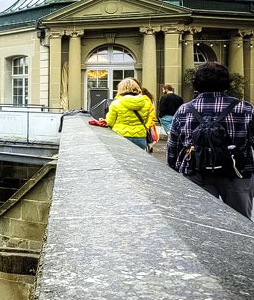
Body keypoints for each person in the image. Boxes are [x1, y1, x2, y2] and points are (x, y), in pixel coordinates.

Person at [167, 62, 254, 219]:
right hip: (237, 173)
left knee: (203, 225)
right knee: (241, 224)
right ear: (226, 83)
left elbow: (173, 146)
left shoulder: (184, 110)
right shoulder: (245, 108)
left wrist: (174, 170)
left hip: (196, 172)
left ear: (197, 83)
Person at [105, 77, 153, 149]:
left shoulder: (116, 103)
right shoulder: (146, 103)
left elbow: (110, 122)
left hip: (120, 136)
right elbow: (146, 120)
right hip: (140, 137)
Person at [140, 86, 158, 153]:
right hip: (150, 124)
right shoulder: (150, 99)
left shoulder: (144, 100)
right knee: (150, 140)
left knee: (147, 140)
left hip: (147, 124)